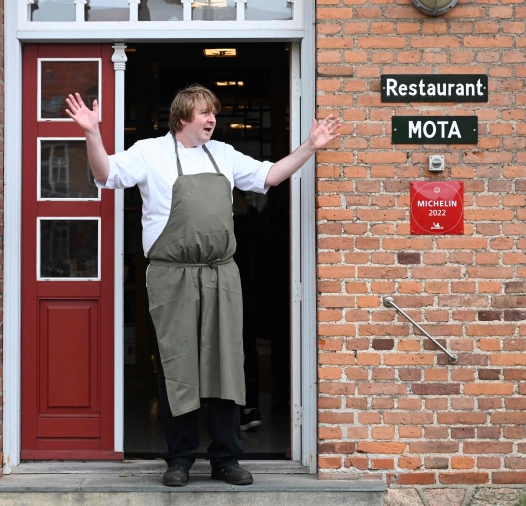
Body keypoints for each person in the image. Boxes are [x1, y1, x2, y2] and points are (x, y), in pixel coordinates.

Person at [65, 83, 340, 487]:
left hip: (219, 274)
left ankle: (226, 458)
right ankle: (179, 458)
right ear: (182, 118)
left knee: (225, 363)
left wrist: (310, 146)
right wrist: (92, 132)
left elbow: (270, 175)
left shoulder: (223, 154)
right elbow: (105, 173)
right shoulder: (149, 152)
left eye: (214, 112)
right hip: (171, 275)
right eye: (204, 113)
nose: (212, 119)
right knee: (177, 364)